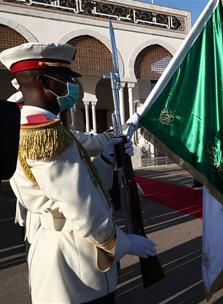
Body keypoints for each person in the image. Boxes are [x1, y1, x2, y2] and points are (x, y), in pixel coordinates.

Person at [1, 42, 156, 303]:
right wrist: (122, 242)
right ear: (42, 81)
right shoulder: (43, 133)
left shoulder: (29, 126)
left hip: (60, 247)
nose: (67, 87)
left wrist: (106, 159)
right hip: (71, 259)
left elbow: (79, 180)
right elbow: (80, 204)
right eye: (62, 80)